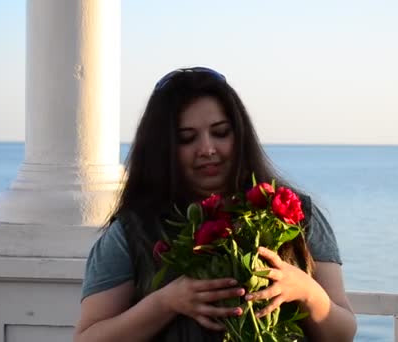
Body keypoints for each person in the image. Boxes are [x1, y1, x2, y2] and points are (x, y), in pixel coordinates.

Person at [73, 67, 357, 341]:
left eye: (221, 133)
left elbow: (342, 333)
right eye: (187, 138)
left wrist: (306, 291)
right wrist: (166, 302)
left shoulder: (296, 214)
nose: (207, 149)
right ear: (163, 149)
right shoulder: (132, 232)